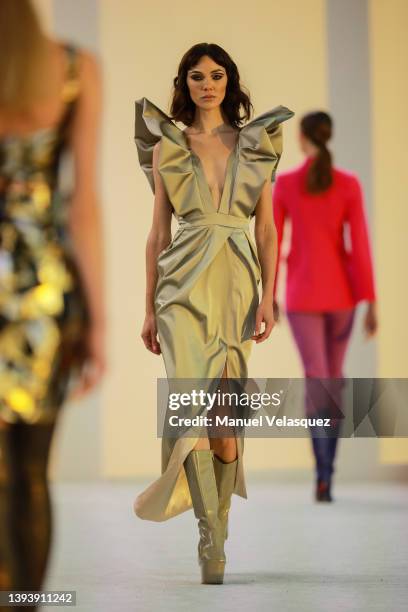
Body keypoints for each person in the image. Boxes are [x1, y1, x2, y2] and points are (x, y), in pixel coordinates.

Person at [134, 42, 294, 584]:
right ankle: (212, 541)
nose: (208, 84)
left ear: (230, 82)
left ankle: (217, 524)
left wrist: (270, 295)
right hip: (180, 289)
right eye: (197, 76)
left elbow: (267, 229)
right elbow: (158, 232)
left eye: (218, 75)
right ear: (185, 83)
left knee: (226, 420)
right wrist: (149, 308)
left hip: (237, 287)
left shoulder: (257, 145)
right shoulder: (168, 147)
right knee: (192, 411)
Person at [0, 0, 106, 600]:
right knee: (33, 475)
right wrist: (101, 323)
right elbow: (81, 204)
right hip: (44, 293)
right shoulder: (72, 69)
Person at [272, 111, 377, 503]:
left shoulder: (285, 183)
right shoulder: (348, 184)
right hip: (343, 296)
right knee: (332, 379)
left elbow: (273, 242)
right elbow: (360, 244)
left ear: (302, 139)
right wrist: (371, 301)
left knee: (318, 380)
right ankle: (327, 474)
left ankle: (322, 474)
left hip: (303, 295)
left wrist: (268, 297)